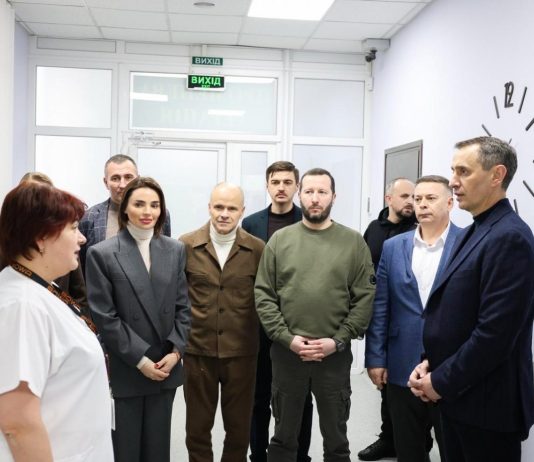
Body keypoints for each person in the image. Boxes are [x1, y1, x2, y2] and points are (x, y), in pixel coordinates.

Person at [409, 137, 534, 462]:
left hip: (487, 408)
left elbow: (494, 335)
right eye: (453, 171)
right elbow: (455, 315)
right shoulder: (476, 230)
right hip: (459, 398)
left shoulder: (510, 238)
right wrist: (431, 363)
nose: (453, 181)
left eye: (463, 172)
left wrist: (440, 381)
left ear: (497, 175)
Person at [255, 168, 376, 462]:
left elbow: (365, 298)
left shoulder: (353, 242)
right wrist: (287, 338)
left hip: (333, 356)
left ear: (334, 196)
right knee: (283, 437)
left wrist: (338, 340)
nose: (315, 198)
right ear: (300, 195)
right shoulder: (280, 241)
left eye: (322, 192)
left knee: (336, 440)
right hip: (287, 355)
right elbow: (264, 295)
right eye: (309, 192)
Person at [0, 181, 113, 462]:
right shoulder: (22, 305)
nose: (82, 238)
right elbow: (17, 423)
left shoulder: (41, 289)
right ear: (41, 237)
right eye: (73, 228)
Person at [85, 176, 191, 462]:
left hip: (165, 365)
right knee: (126, 451)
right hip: (129, 366)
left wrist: (176, 351)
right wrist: (141, 360)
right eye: (139, 204)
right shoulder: (102, 253)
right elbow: (105, 317)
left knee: (158, 451)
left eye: (155, 205)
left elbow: (183, 306)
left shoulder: (175, 249)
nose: (148, 212)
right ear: (125, 209)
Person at [365, 175, 461, 462]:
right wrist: (376, 357)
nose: (422, 204)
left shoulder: (467, 242)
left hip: (450, 364)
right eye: (418, 199)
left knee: (453, 447)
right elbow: (381, 305)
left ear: (449, 202)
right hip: (401, 360)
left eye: (431, 198)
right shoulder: (394, 247)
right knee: (408, 448)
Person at [180, 182, 264, 462]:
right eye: (218, 207)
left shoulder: (257, 249)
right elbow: (177, 299)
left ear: (242, 211)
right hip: (198, 351)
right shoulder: (186, 245)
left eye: (231, 208)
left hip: (241, 352)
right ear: (209, 208)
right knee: (197, 428)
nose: (224, 214)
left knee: (239, 428)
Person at [242, 161, 312, 462]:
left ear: (296, 186)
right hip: (260, 324)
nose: (281, 187)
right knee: (258, 396)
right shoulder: (251, 224)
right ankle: (258, 454)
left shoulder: (309, 221)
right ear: (267, 186)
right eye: (275, 182)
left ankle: (299, 456)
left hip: (299, 324)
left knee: (299, 398)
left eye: (287, 182)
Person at [358, 177, 416, 461]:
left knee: (411, 385)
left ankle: (417, 442)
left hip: (409, 319)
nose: (411, 202)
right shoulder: (374, 229)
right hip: (380, 315)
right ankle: (388, 439)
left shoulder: (419, 229)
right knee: (386, 384)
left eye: (414, 197)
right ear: (388, 198)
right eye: (405, 196)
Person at [79, 154, 171, 272]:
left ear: (138, 179)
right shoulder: (89, 217)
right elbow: (82, 268)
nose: (122, 185)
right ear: (106, 182)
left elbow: (165, 255)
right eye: (115, 178)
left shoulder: (158, 214)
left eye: (128, 177)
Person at [19, 171, 88, 313]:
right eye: (33, 196)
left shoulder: (67, 243)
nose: (82, 239)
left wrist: (78, 321)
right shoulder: (8, 248)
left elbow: (79, 296)